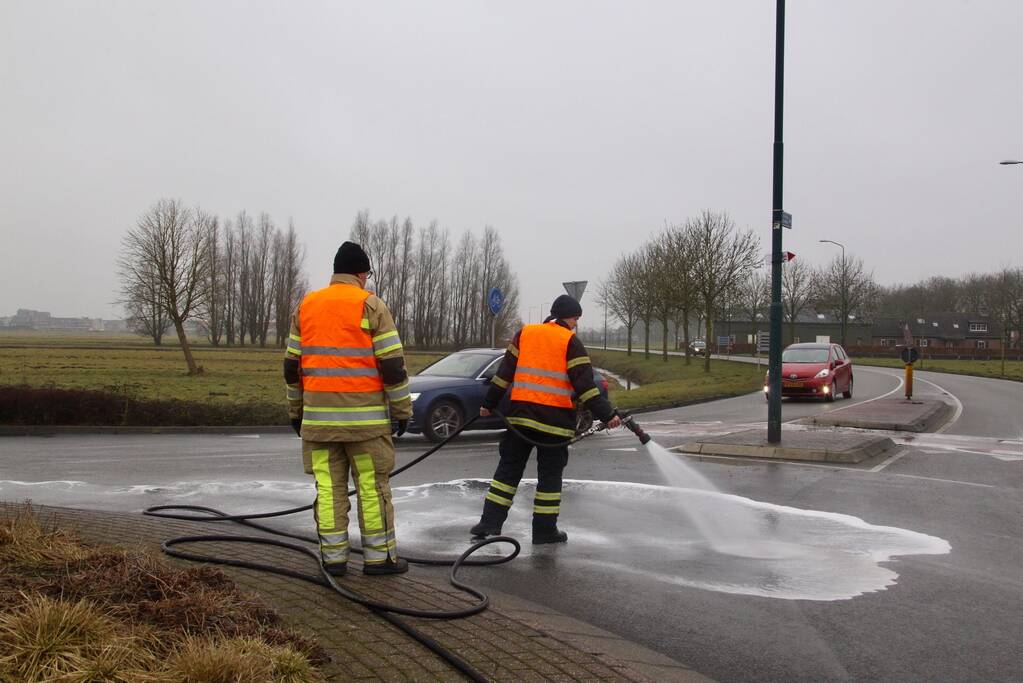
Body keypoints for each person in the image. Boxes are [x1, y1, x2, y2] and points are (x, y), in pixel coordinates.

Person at [283, 241, 413, 576]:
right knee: (372, 489)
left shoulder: (306, 306)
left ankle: (334, 559)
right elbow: (393, 366)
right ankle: (379, 559)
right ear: (361, 273)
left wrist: (296, 412)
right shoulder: (371, 305)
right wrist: (402, 411)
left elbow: (291, 367)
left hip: (318, 425)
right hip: (366, 427)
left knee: (328, 490)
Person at [470, 294, 622, 544]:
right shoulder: (571, 342)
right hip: (555, 423)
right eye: (576, 319)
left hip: (520, 419)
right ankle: (544, 531)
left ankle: (489, 524)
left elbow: (503, 375)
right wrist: (608, 415)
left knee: (507, 472)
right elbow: (585, 387)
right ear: (570, 318)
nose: (576, 324)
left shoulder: (525, 334)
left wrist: (488, 404)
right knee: (549, 479)